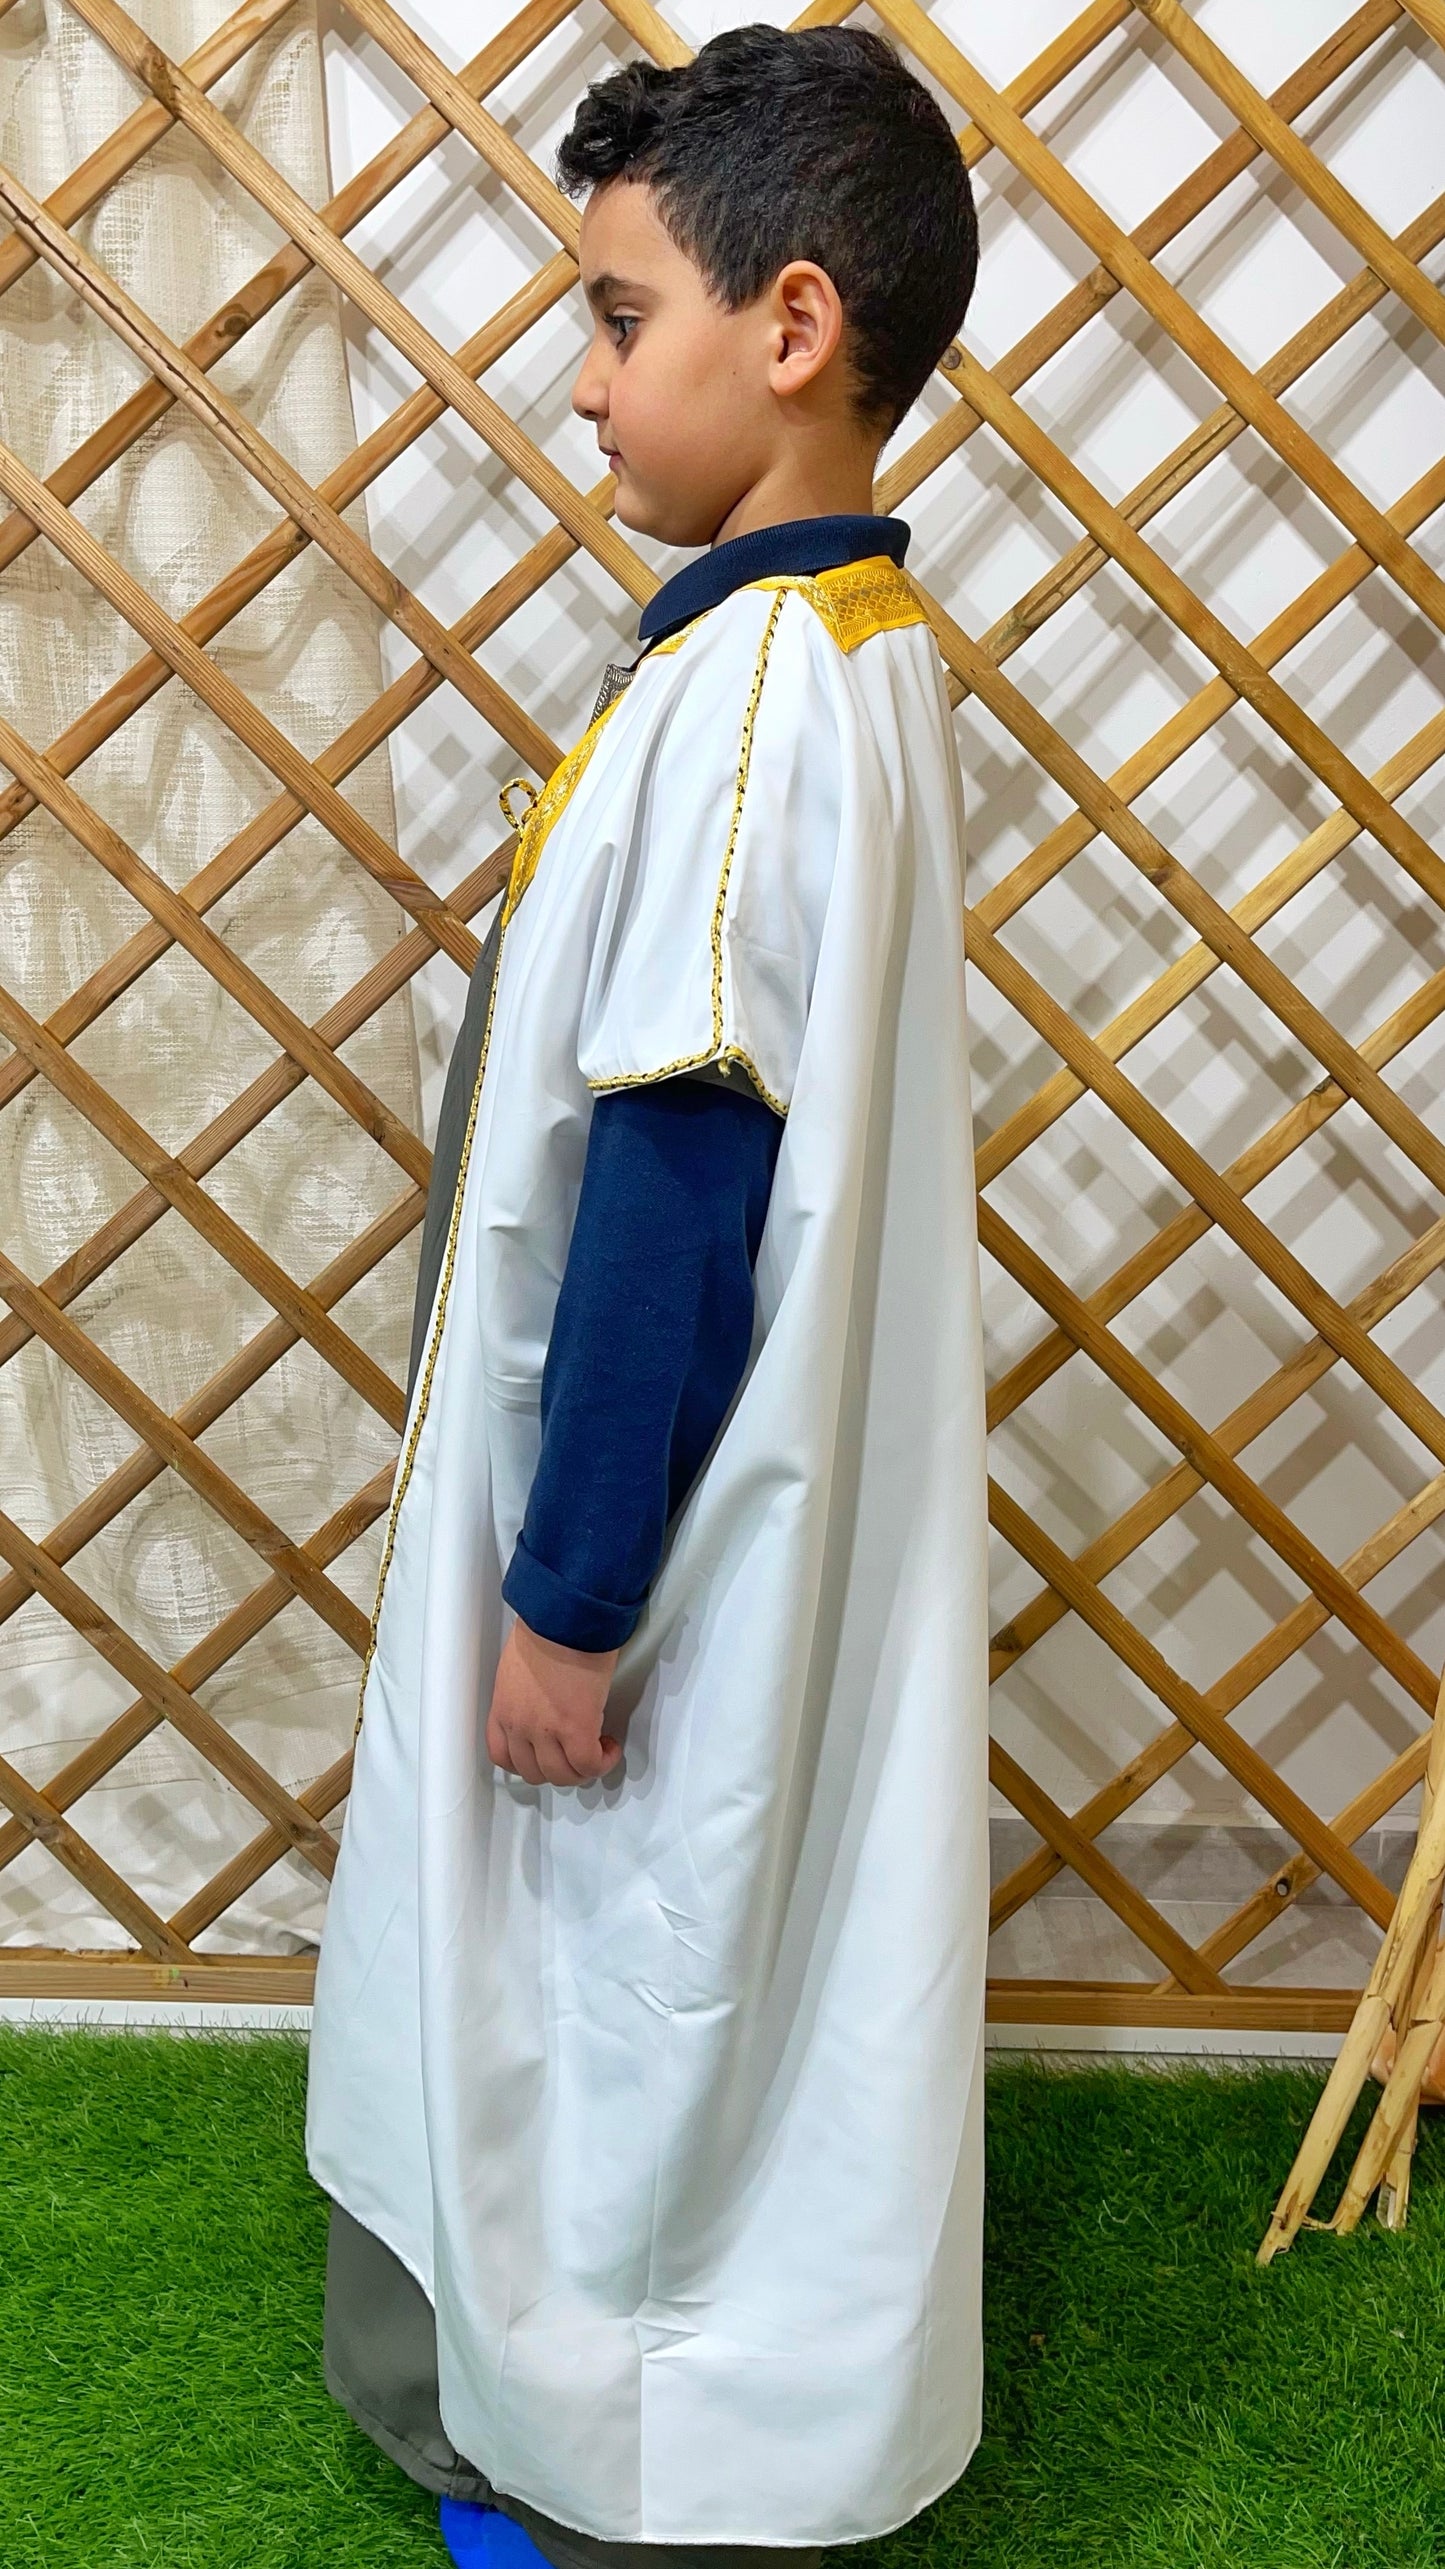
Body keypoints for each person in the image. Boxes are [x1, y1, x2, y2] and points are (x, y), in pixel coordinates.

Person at [305, 24, 988, 2569]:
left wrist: (572, 1596)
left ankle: (595, 2452)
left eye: (617, 319)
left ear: (791, 326)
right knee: (692, 1973)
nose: (583, 382)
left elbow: (680, 1184)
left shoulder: (752, 706)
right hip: (749, 1503)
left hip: (652, 1532)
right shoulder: (851, 652)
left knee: (603, 1985)